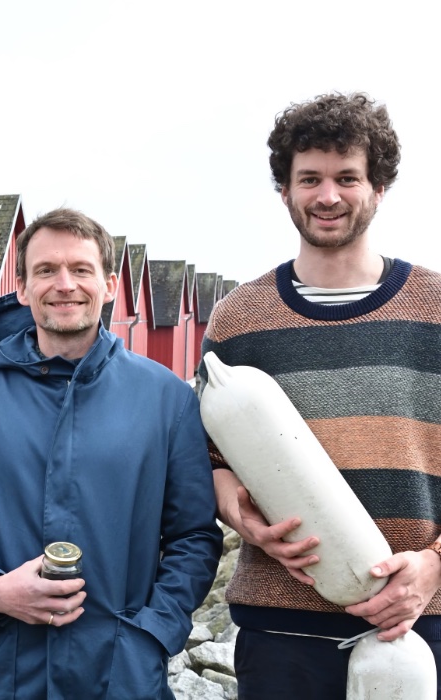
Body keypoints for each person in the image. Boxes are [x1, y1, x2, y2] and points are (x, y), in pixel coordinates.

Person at [0, 207, 223, 699]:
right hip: (8, 676)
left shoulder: (166, 399)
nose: (64, 285)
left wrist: (151, 635)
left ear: (109, 284)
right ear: (22, 288)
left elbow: (194, 536)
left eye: (81, 269)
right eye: (46, 270)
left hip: (121, 677)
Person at [197, 92, 441, 698]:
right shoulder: (238, 319)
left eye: (346, 177)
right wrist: (240, 515)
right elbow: (209, 458)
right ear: (284, 190)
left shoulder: (436, 309)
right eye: (309, 178)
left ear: (378, 188)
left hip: (422, 623)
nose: (327, 196)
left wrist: (434, 567)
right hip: (282, 632)